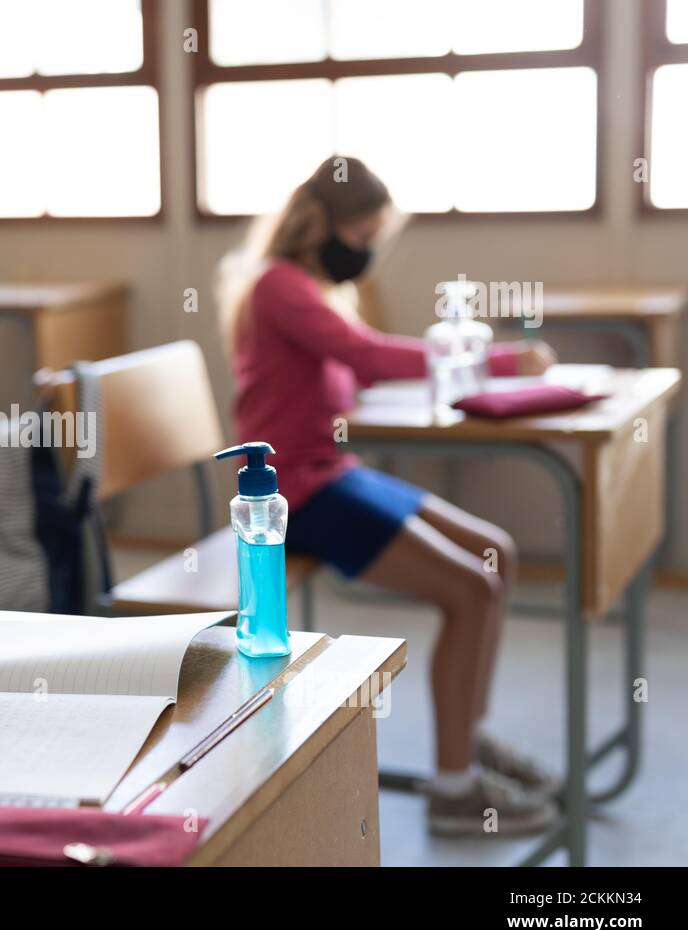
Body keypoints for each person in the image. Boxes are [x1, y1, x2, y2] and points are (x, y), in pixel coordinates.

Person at [218, 156, 561, 836]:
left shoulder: (312, 284)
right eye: (366, 234)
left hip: (334, 469)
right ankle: (455, 790)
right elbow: (369, 357)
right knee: (468, 589)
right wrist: (499, 361)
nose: (369, 250)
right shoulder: (279, 286)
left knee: (496, 553)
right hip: (298, 493)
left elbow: (351, 375)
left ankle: (468, 737)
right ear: (328, 227)